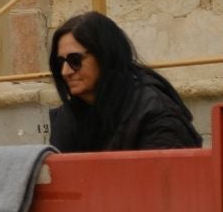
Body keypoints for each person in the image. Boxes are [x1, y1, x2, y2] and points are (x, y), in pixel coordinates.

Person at [44, 11, 199, 152]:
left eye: (75, 60)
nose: (65, 72)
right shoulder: (68, 118)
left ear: (104, 57)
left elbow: (170, 178)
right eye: (60, 62)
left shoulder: (154, 113)